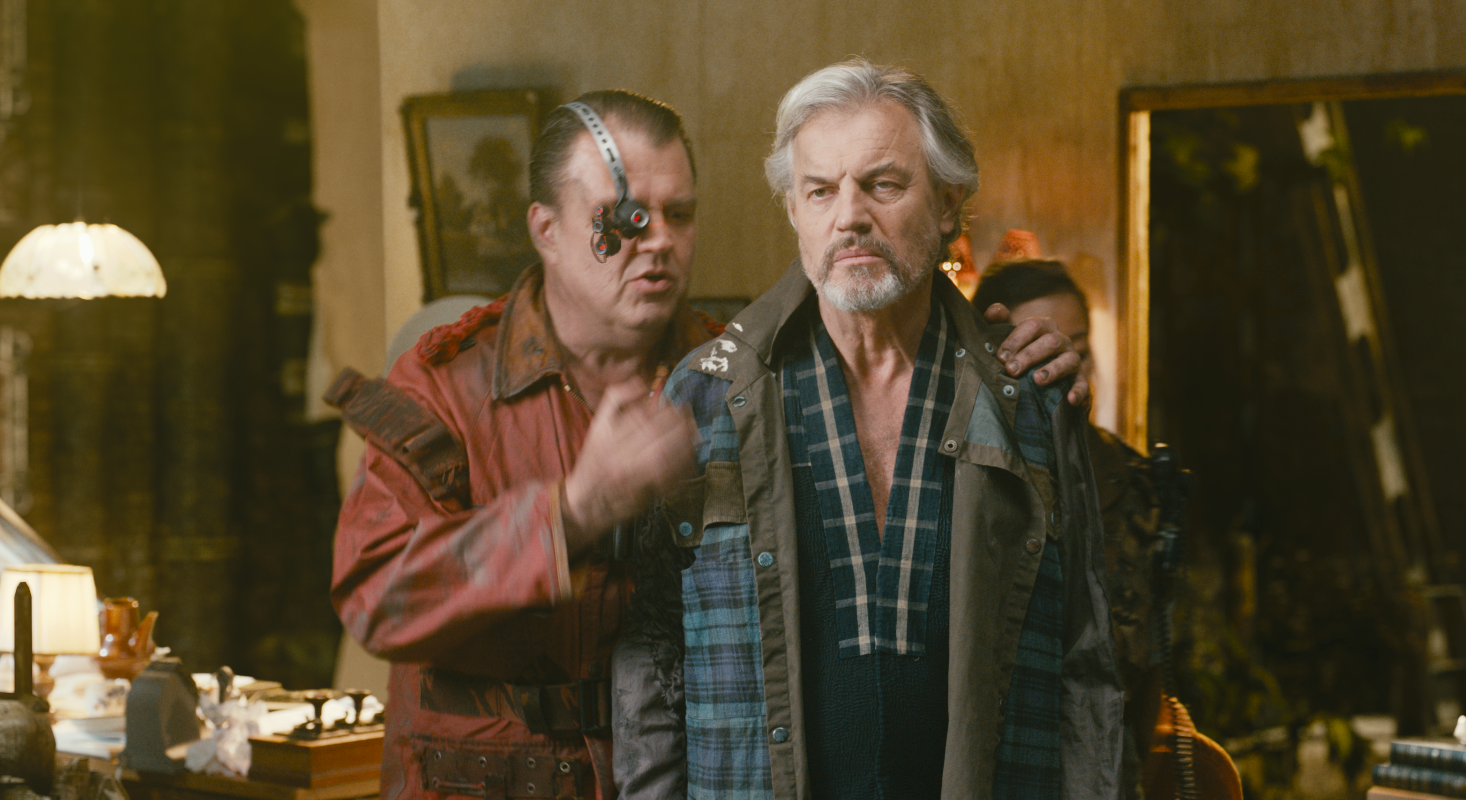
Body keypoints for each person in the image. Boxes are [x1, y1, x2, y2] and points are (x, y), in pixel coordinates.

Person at [327, 89, 1084, 800]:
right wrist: (570, 513)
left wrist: (1011, 355)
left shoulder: (734, 375)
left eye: (679, 214)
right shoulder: (451, 382)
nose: (657, 240)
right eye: (624, 219)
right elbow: (375, 598)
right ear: (547, 230)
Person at [616, 59, 1122, 800]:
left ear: (947, 204)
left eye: (883, 185)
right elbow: (651, 663)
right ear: (795, 211)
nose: (849, 216)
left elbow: (1087, 664)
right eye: (821, 190)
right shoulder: (707, 398)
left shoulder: (1029, 401)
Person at [973, 259, 1162, 794]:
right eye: (1042, 351)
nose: (1065, 367)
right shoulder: (973, 478)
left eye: (1076, 348)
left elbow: (1149, 678)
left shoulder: (1134, 485)